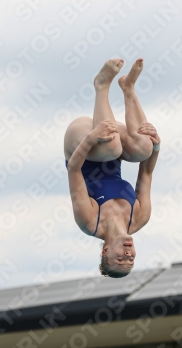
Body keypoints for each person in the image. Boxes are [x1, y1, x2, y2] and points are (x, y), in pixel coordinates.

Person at [64, 58, 160, 278]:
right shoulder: (139, 217)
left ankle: (101, 85)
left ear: (106, 251)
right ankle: (128, 88)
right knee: (144, 148)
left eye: (120, 258)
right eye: (131, 258)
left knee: (111, 147)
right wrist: (157, 144)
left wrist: (90, 139)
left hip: (80, 143)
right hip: (110, 139)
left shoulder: (90, 222)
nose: (128, 254)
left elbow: (74, 170)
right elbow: (146, 171)